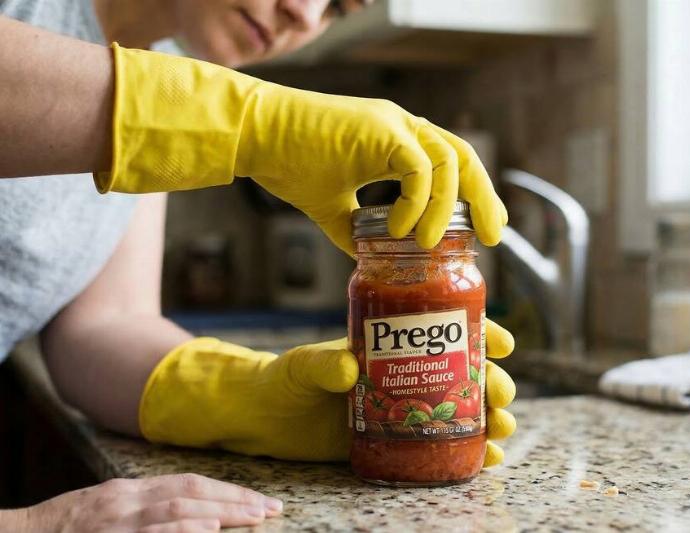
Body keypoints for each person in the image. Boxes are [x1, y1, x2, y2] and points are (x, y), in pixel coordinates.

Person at [0, 0, 518, 531]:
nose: (304, 14)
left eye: (338, 7)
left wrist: (250, 401)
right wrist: (251, 125)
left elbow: (104, 324)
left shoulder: (162, 71)